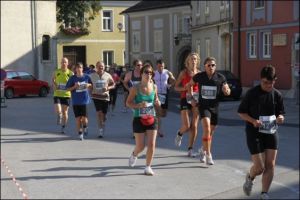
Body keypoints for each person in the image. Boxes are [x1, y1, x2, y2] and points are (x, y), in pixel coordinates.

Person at [238, 65, 285, 199]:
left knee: (270, 165)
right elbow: (241, 112)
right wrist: (253, 120)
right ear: (261, 80)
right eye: (265, 82)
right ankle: (250, 177)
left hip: (271, 131)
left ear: (274, 80)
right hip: (254, 132)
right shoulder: (252, 93)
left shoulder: (277, 95)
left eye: (271, 83)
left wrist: (281, 117)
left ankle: (264, 193)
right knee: (259, 167)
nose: (268, 85)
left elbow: (281, 113)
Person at [188, 56, 231, 165]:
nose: (211, 67)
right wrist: (191, 98)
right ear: (205, 66)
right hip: (203, 106)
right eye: (209, 65)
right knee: (206, 129)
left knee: (210, 133)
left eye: (213, 65)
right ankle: (208, 154)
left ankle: (203, 150)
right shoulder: (199, 76)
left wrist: (227, 91)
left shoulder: (220, 77)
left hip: (215, 107)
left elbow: (227, 91)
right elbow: (189, 85)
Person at [126, 63, 161, 176]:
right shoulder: (135, 88)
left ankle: (148, 167)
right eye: (146, 72)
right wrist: (139, 105)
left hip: (151, 117)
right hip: (138, 118)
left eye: (151, 73)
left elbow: (156, 100)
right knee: (141, 146)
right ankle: (134, 154)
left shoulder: (154, 86)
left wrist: (158, 102)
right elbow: (128, 103)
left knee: (151, 144)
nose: (149, 75)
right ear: (141, 74)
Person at [174, 52, 201, 157]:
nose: (193, 61)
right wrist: (184, 88)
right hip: (185, 98)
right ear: (188, 61)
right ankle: (179, 133)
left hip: (196, 99)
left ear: (197, 61)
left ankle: (190, 149)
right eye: (191, 59)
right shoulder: (183, 73)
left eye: (195, 59)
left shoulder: (200, 73)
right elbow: (176, 87)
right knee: (186, 126)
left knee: (194, 126)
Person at [66, 62, 93, 140]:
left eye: (80, 67)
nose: (79, 69)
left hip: (84, 101)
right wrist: (74, 86)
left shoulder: (87, 76)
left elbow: (91, 85)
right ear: (75, 69)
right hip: (76, 101)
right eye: (77, 68)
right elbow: (67, 89)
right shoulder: (72, 78)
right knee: (78, 119)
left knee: (84, 119)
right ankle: (80, 133)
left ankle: (85, 126)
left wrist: (88, 85)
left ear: (82, 68)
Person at [89, 61, 115, 138]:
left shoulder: (108, 75)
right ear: (96, 67)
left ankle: (104, 119)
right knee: (99, 113)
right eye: (99, 66)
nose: (101, 68)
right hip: (96, 96)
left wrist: (108, 88)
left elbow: (113, 84)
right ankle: (100, 130)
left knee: (103, 114)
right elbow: (88, 84)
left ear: (104, 67)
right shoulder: (91, 76)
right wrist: (89, 89)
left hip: (105, 97)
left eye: (102, 66)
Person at [153, 59, 176, 137]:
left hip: (164, 94)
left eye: (162, 66)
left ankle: (156, 126)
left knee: (163, 113)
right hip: (156, 94)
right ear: (157, 66)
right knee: (157, 113)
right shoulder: (154, 73)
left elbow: (174, 80)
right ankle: (158, 130)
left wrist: (169, 86)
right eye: (159, 66)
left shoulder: (167, 72)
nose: (160, 68)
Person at [52, 57, 74, 134]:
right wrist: (54, 85)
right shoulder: (56, 71)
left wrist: (70, 88)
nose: (63, 63)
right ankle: (59, 115)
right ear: (60, 63)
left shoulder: (71, 73)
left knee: (65, 112)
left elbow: (73, 84)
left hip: (66, 94)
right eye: (62, 62)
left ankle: (63, 127)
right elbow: (53, 80)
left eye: (65, 62)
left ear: (67, 64)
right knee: (58, 110)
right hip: (57, 93)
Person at [123, 59, 143, 138]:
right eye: (138, 65)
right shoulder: (130, 74)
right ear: (134, 66)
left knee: (142, 115)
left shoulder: (143, 74)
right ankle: (135, 132)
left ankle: (141, 130)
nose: (140, 66)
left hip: (142, 97)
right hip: (133, 98)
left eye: (141, 65)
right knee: (135, 115)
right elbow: (124, 82)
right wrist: (129, 89)